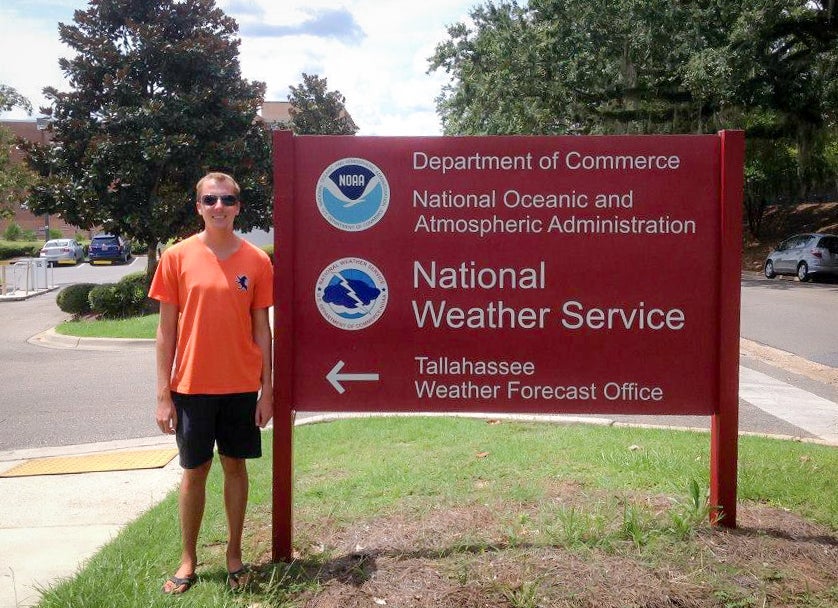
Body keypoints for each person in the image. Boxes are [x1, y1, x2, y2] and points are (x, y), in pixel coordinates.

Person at [149, 172, 274, 594]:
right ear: (198, 206)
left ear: (238, 206)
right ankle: (188, 559)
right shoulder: (177, 257)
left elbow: (263, 330)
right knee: (194, 471)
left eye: (227, 199)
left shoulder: (257, 260)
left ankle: (235, 555)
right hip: (192, 386)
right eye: (210, 200)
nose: (218, 206)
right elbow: (165, 331)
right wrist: (163, 394)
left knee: (235, 467)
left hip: (240, 386)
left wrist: (267, 390)